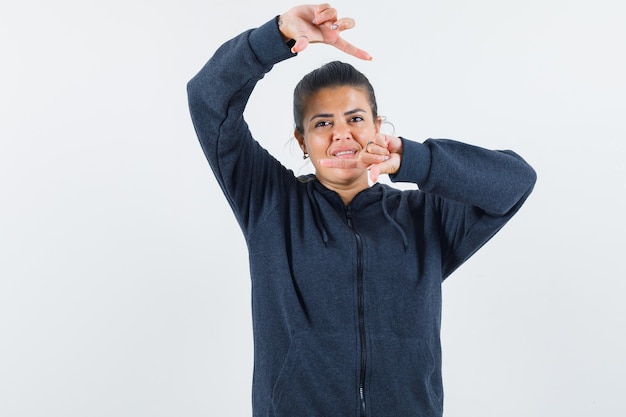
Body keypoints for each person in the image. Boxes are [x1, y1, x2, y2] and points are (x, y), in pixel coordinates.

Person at [187, 3, 536, 416]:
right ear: (302, 142)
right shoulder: (270, 203)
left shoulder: (424, 217)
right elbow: (208, 99)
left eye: (355, 118)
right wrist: (277, 35)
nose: (341, 133)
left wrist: (416, 160)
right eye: (322, 123)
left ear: (377, 128)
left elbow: (515, 182)